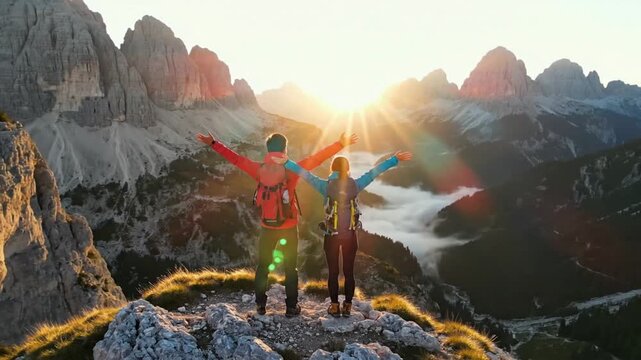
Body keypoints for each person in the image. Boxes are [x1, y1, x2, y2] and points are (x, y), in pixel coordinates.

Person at [195, 131, 358, 317]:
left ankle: (260, 305)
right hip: (288, 228)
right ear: (285, 149)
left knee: (263, 266)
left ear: (267, 150)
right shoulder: (291, 169)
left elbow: (236, 159)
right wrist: (340, 143)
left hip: (267, 227)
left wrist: (213, 143)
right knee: (291, 268)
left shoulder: (259, 169)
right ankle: (291, 307)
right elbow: (318, 158)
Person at [284, 151, 413, 317]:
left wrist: (287, 162)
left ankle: (334, 306)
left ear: (333, 169)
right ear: (348, 169)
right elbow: (373, 173)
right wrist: (394, 159)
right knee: (349, 272)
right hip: (350, 236)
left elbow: (305, 174)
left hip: (331, 235)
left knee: (333, 272)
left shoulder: (325, 186)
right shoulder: (355, 185)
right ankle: (348, 306)